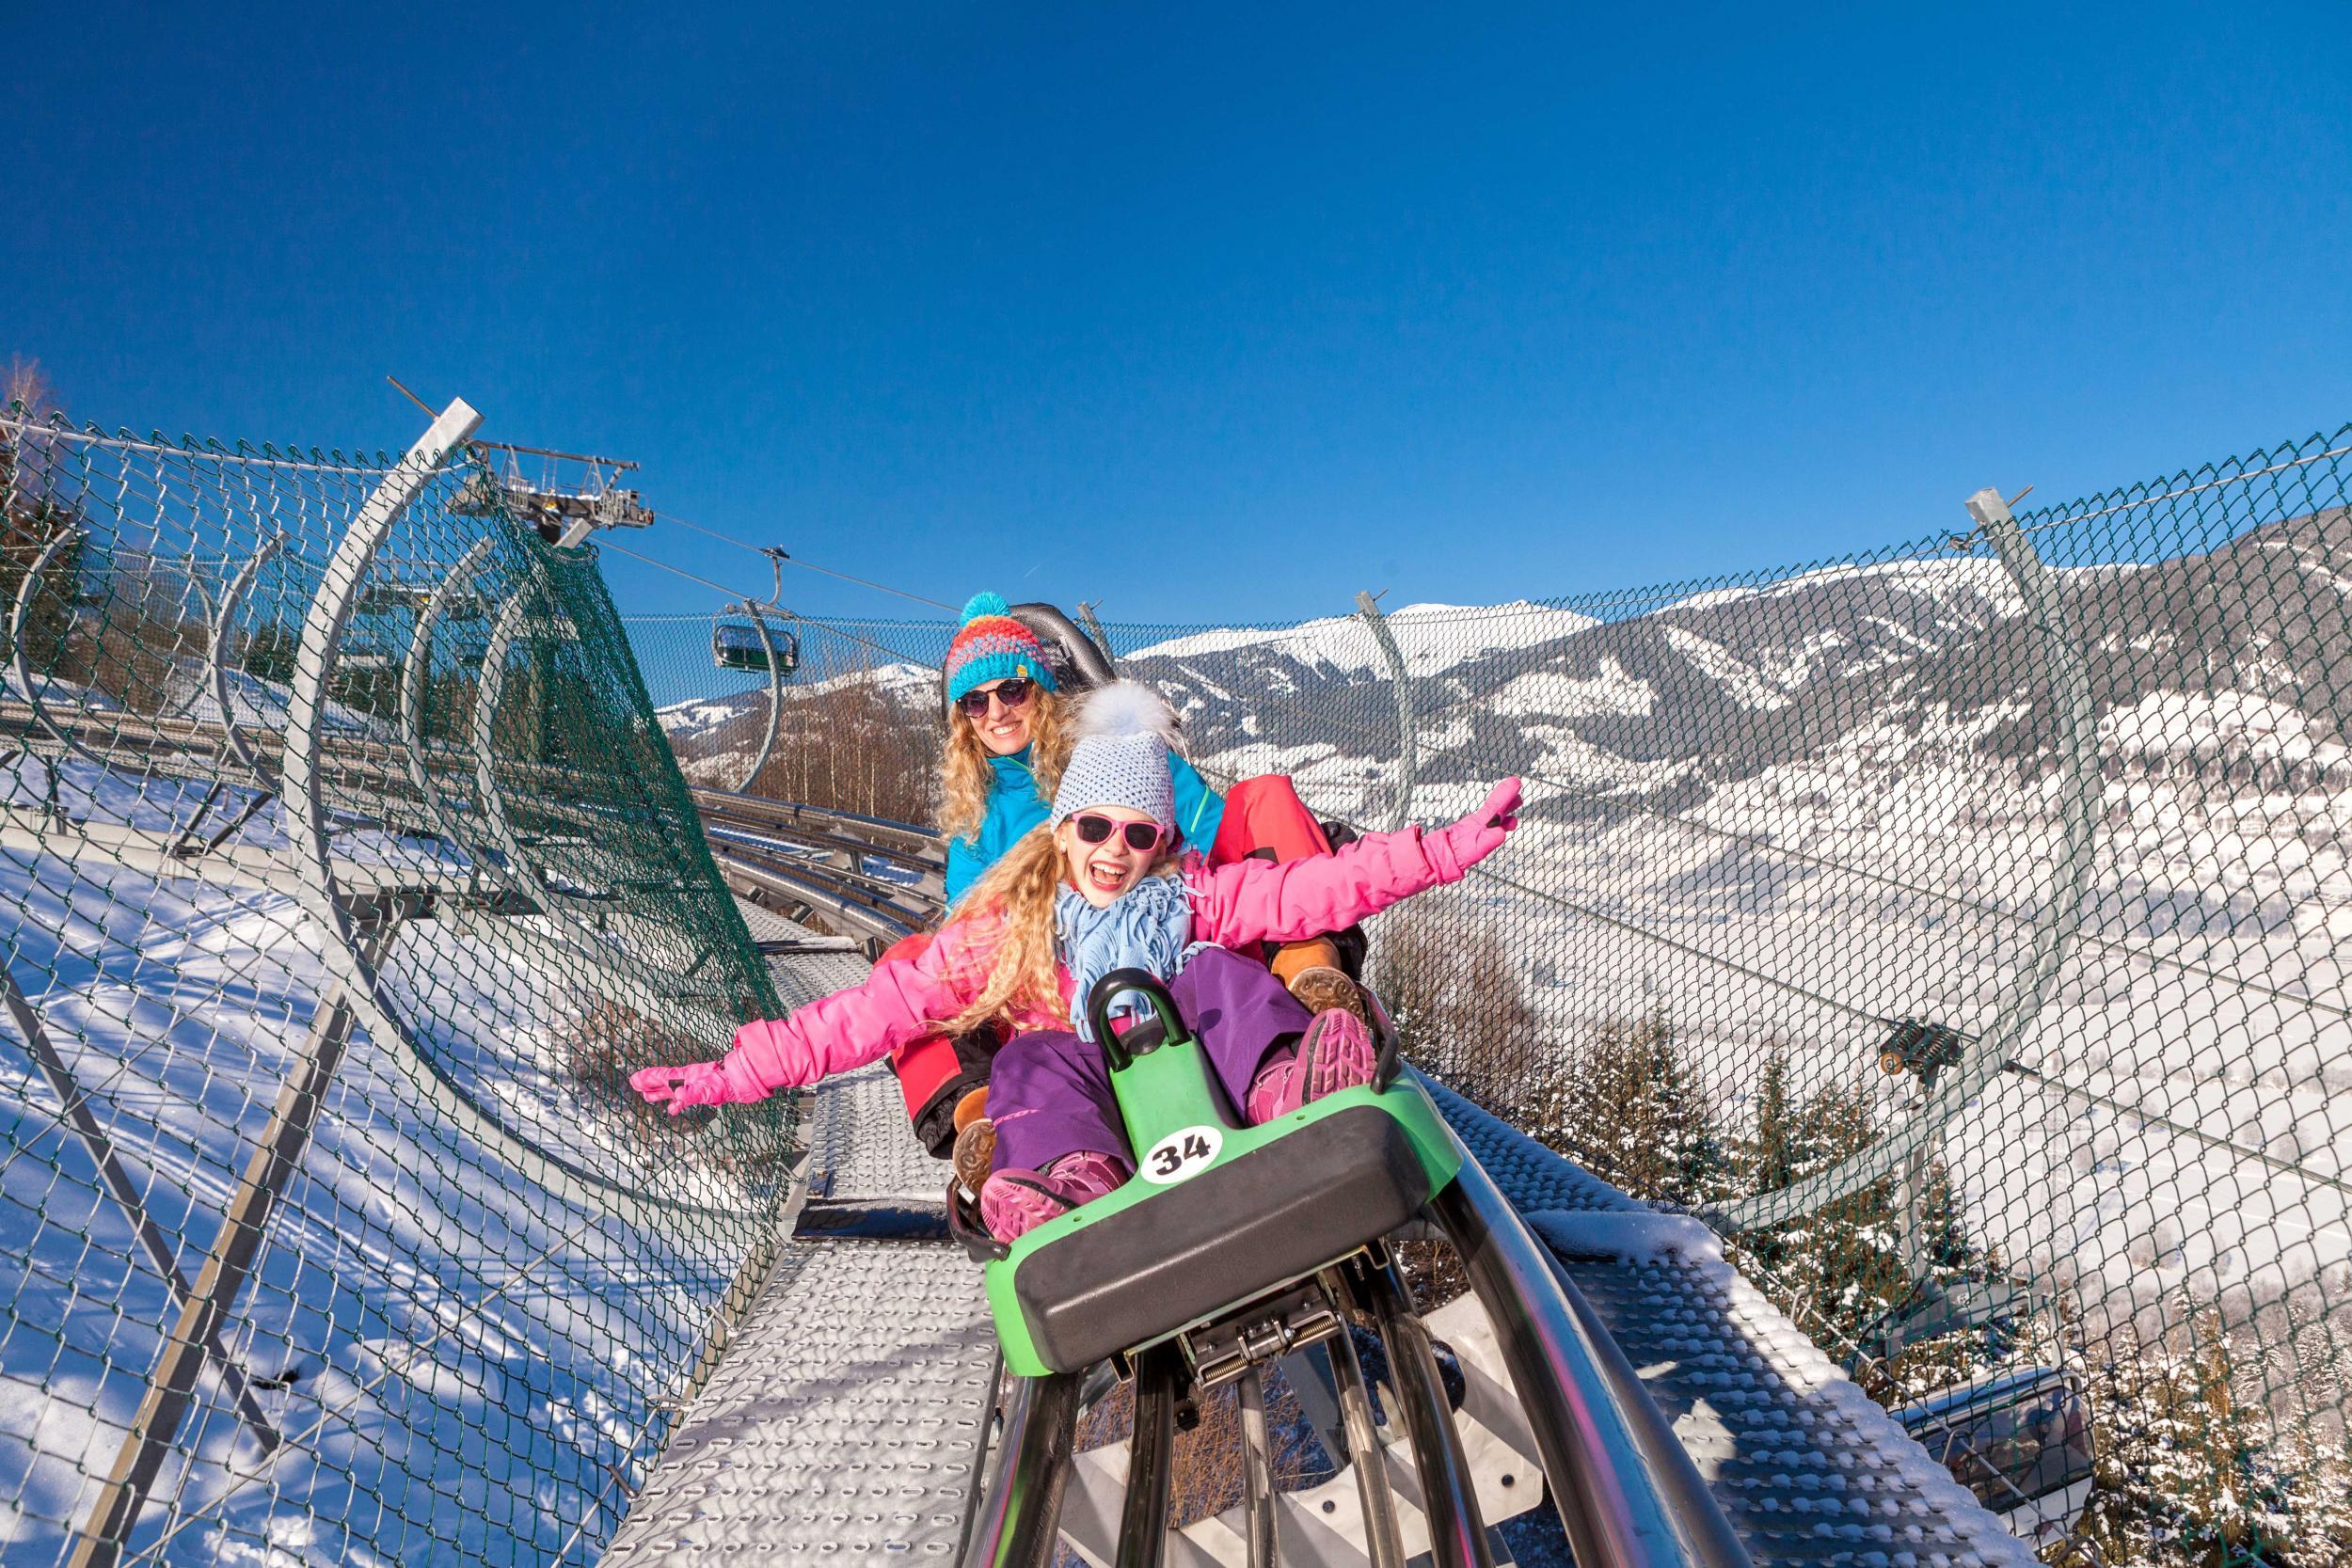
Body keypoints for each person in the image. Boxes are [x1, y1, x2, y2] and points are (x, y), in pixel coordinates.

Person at [635, 681, 1523, 1242]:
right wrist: (732, 1071)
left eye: (1139, 834)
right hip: (1099, 1089)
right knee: (1030, 1057)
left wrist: (1448, 847)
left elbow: (1324, 889)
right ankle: (1063, 1176)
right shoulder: (1013, 930)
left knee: (1224, 977)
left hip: (1202, 1070)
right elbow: (874, 1011)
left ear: (1161, 842)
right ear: (1062, 831)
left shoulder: (1194, 897)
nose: (1114, 850)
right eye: (1095, 827)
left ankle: (1291, 1083)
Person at [891, 593, 1364, 1157]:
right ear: (962, 718)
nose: (996, 712)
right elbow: (972, 945)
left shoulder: (1121, 752)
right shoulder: (975, 825)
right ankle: (980, 1123)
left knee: (1264, 798)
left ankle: (1309, 979)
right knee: (912, 965)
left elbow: (1210, 831)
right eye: (974, 701)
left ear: (1038, 689)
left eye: (1010, 690)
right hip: (1058, 985)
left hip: (1168, 937)